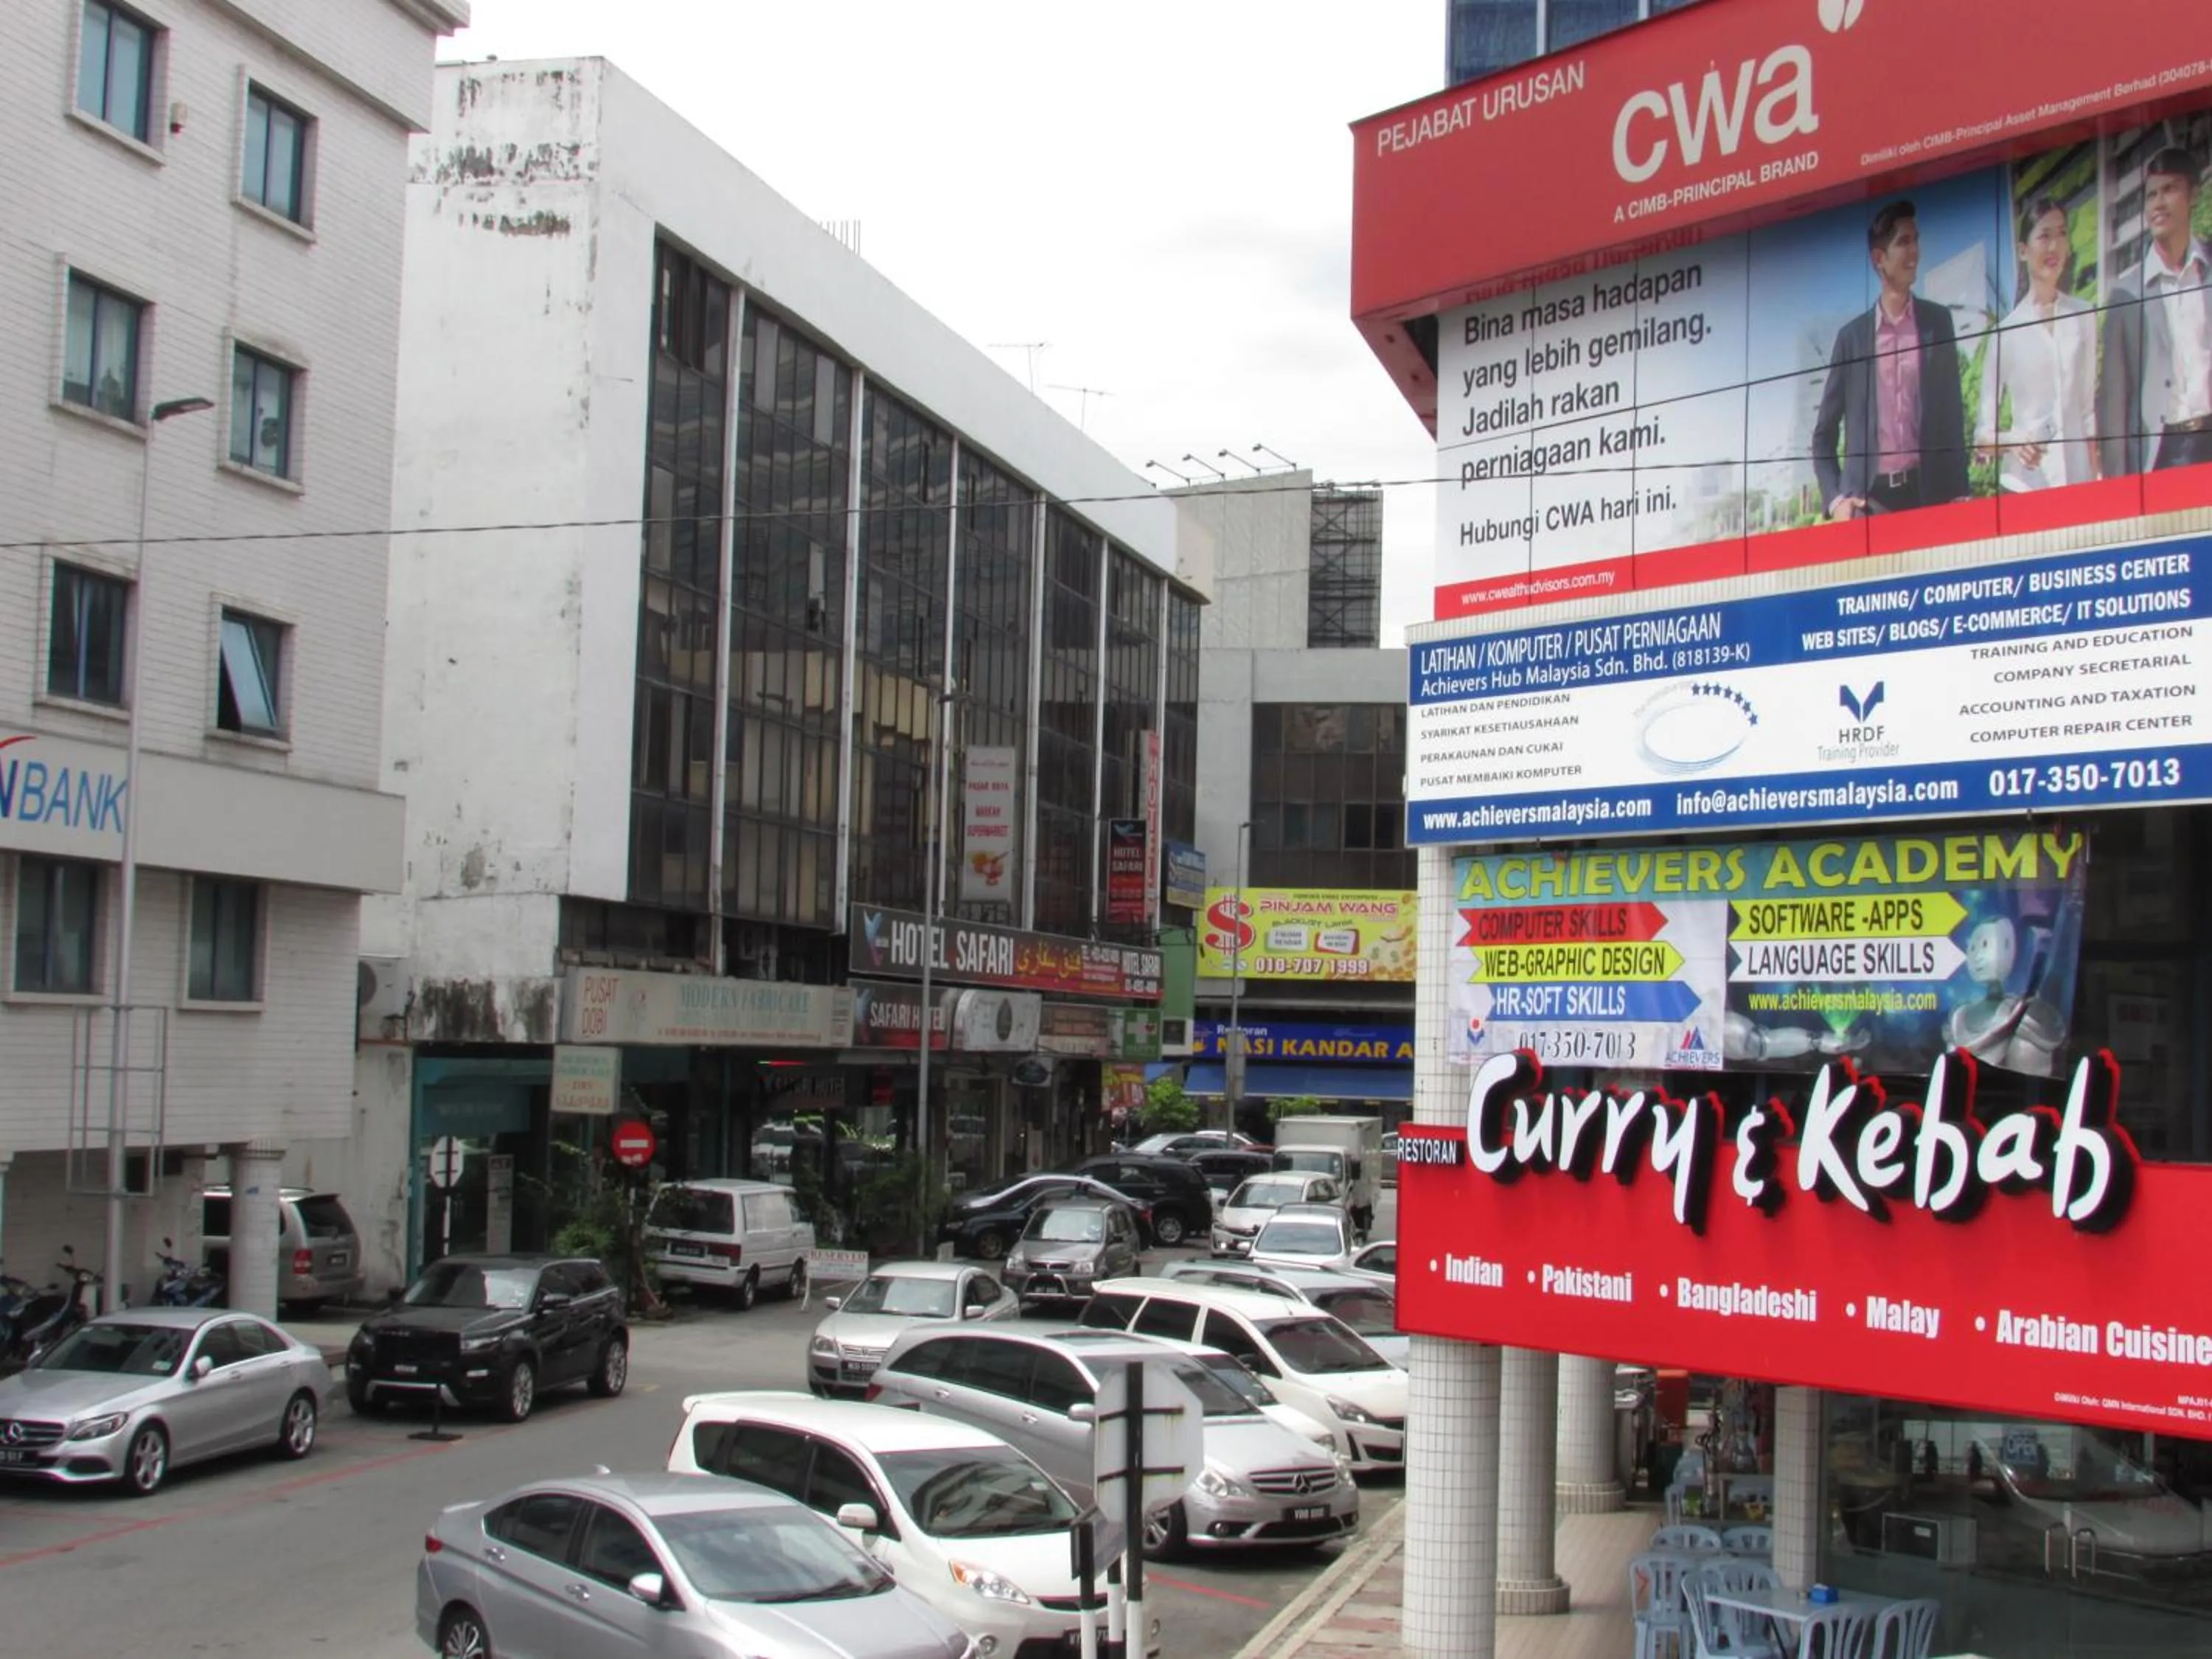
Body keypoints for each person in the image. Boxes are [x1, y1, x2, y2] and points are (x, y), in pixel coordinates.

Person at [1812, 201, 1972, 518]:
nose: (1914, 251)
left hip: (1930, 495)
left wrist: (1960, 492)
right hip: (1869, 503)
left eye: (1916, 239)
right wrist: (1836, 500)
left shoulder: (1937, 323)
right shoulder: (1852, 339)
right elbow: (1824, 434)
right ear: (1879, 259)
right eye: (1903, 242)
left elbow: (1951, 416)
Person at [2099, 147, 2212, 476]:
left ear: (2193, 195)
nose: (2158, 204)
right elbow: (2113, 402)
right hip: (2162, 451)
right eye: (2151, 195)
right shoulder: (2125, 294)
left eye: (2170, 190)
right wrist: (2117, 486)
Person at [1977, 197, 2099, 490]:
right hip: (2026, 486)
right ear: (2023, 250)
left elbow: (2087, 410)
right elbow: (1982, 437)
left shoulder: (2084, 315)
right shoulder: (2004, 334)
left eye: (2062, 234)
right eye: (2045, 236)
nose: (2055, 246)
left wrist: (2098, 477)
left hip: (2079, 480)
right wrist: (2014, 440)